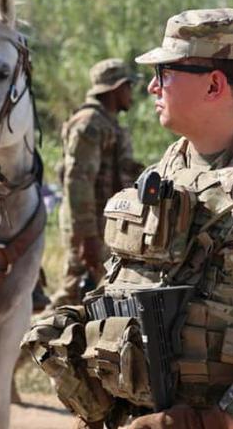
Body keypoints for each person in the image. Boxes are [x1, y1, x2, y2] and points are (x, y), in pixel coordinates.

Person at [23, 9, 233, 429]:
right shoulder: (171, 169)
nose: (152, 85)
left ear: (214, 84)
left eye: (166, 71)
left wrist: (213, 424)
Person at [49, 58, 144, 308]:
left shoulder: (107, 123)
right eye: (129, 86)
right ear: (116, 88)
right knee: (73, 294)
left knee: (94, 294)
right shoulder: (90, 123)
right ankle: (35, 342)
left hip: (102, 223)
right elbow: (77, 181)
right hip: (88, 226)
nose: (131, 93)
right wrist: (87, 237)